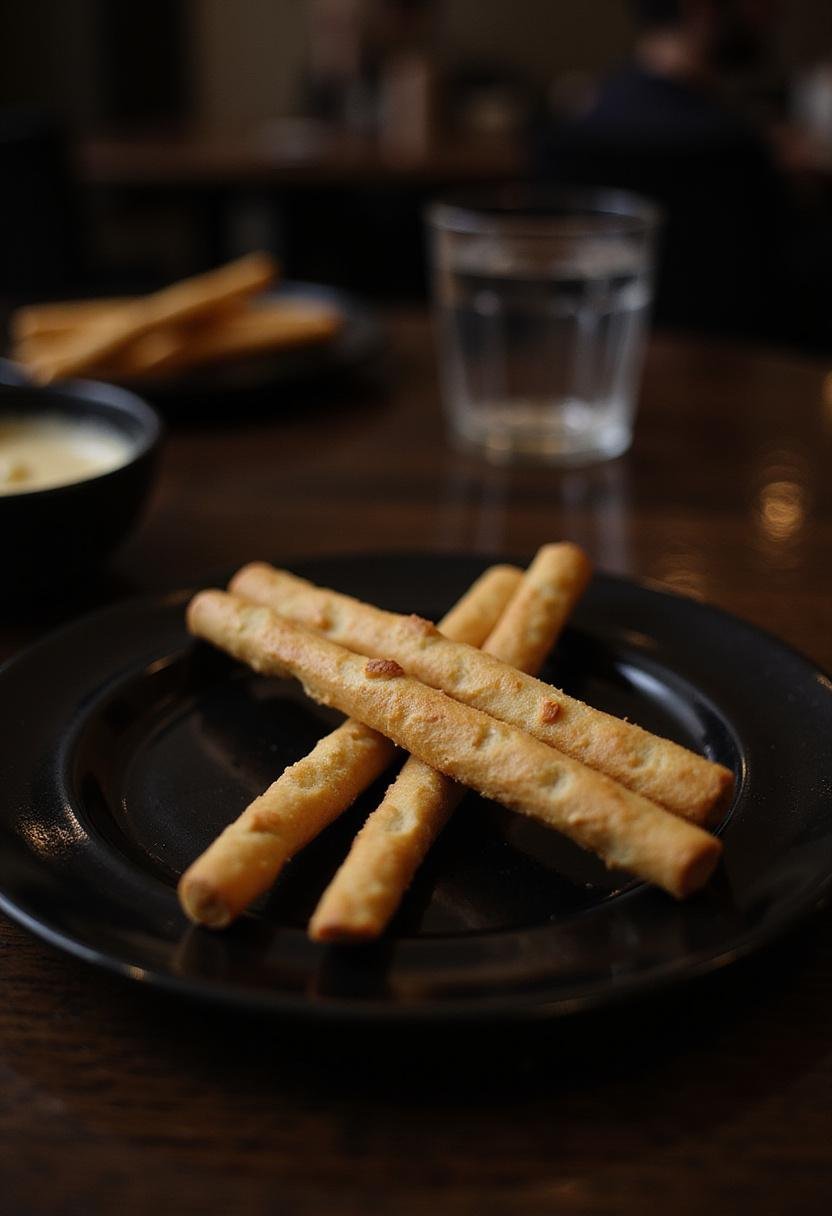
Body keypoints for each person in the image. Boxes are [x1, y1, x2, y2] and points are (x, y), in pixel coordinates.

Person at [534, 0, 806, 341]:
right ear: (701, 9)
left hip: (598, 350)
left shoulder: (574, 126)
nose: (775, 12)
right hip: (736, 362)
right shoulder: (736, 147)